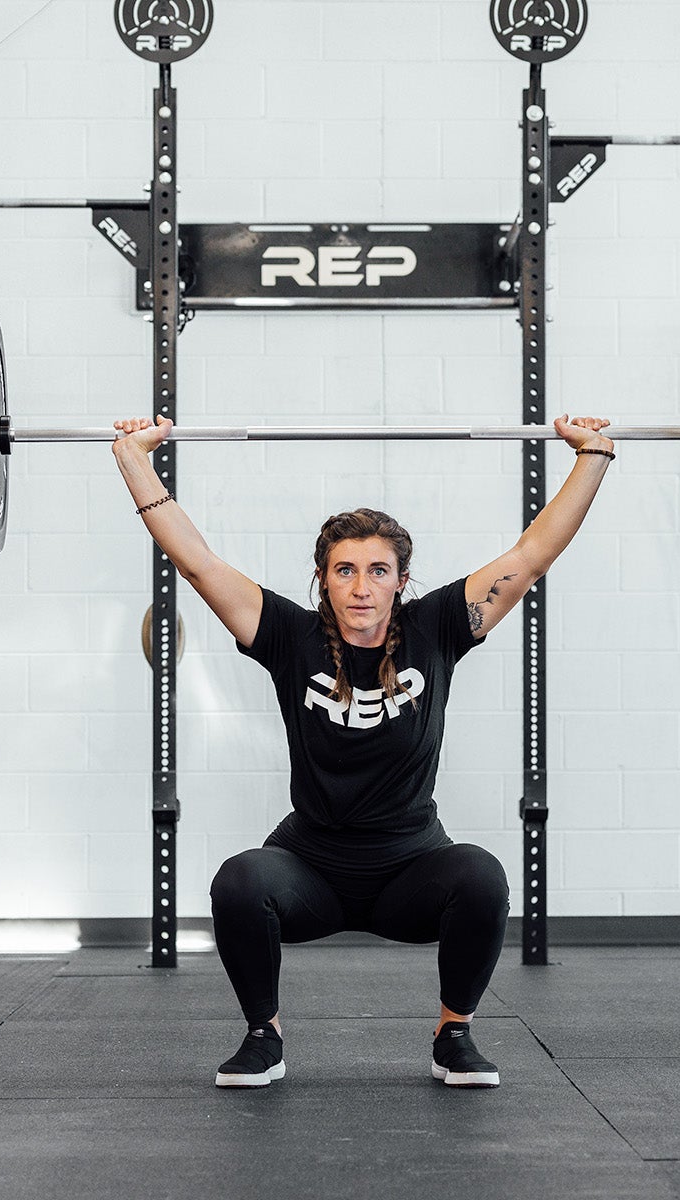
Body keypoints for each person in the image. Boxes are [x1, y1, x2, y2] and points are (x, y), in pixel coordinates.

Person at [110, 413, 616, 1088]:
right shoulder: (290, 635)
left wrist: (593, 456)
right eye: (344, 571)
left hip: (411, 868)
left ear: (401, 580)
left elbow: (530, 557)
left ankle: (453, 1034)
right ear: (323, 580)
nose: (360, 586)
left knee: (483, 876)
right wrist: (133, 459)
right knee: (239, 881)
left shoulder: (436, 626)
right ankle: (265, 1036)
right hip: (311, 868)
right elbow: (198, 563)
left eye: (378, 570)